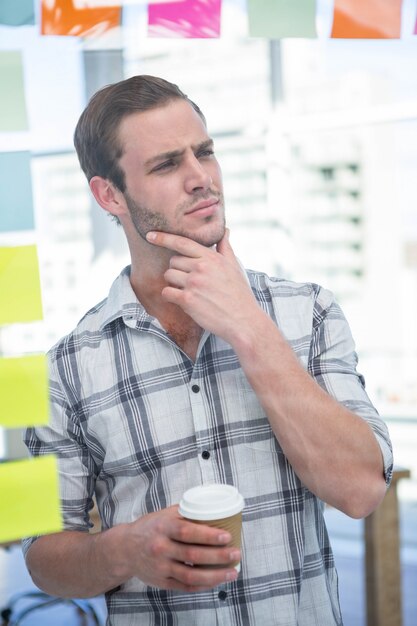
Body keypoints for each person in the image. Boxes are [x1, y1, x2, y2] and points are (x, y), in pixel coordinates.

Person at [23, 75, 393, 626]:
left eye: (206, 152)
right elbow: (40, 558)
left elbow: (362, 490)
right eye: (167, 164)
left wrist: (248, 326)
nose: (203, 180)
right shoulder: (57, 370)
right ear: (109, 195)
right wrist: (125, 550)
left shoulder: (312, 312)